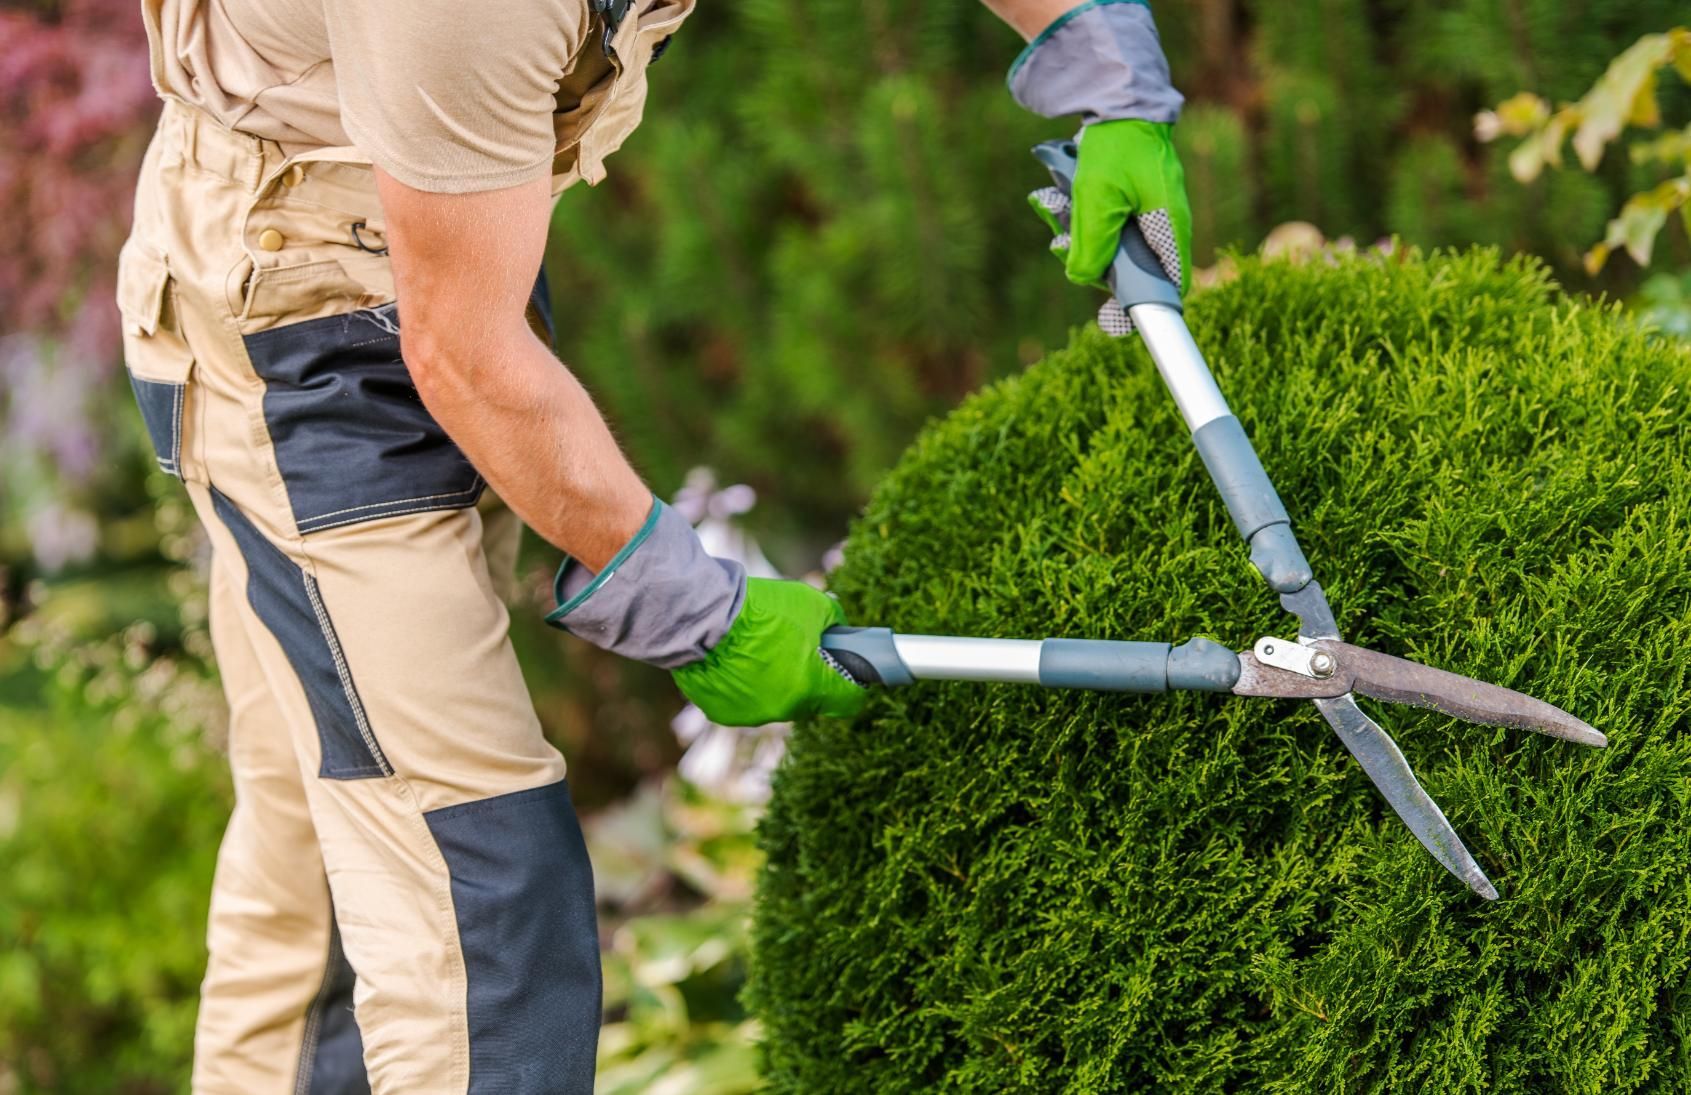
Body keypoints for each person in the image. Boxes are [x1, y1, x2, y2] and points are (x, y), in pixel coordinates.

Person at [118, 0, 1190, 1089]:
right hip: (299, 327)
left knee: (333, 849)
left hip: (431, 241)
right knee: (476, 899)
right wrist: (699, 615)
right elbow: (465, 351)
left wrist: (1099, 69)